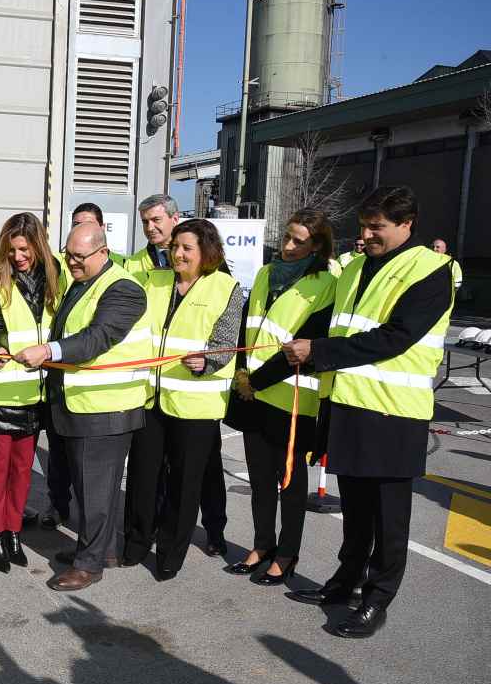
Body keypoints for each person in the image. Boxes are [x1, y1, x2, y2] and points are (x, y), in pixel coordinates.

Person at [285, 186, 455, 638]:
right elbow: (335, 322)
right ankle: (344, 582)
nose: (367, 235)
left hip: (393, 415)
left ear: (407, 224)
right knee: (357, 511)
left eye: (377, 227)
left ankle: (377, 599)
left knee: (388, 517)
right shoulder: (357, 266)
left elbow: (396, 337)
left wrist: (318, 350)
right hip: (348, 405)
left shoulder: (431, 271)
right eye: (364, 225)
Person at [15, 223, 149, 590]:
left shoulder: (124, 290)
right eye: (68, 254)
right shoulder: (84, 281)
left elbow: (96, 338)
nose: (71, 262)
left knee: (95, 492)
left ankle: (89, 565)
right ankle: (98, 550)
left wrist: (47, 352)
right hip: (80, 405)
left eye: (79, 257)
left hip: (105, 409)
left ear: (103, 252)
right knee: (91, 489)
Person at [122, 219, 243, 580]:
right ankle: (136, 542)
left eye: (187, 248)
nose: (178, 254)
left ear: (207, 251)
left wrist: (208, 361)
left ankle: (170, 553)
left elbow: (227, 341)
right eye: (175, 246)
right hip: (151, 399)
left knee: (185, 483)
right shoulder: (155, 281)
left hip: (195, 405)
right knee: (143, 477)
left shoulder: (226, 287)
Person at [227, 210, 336, 586]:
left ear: (317, 246)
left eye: (299, 241)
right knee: (259, 479)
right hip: (253, 394)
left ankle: (287, 553)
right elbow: (248, 328)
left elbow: (301, 345)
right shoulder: (265, 273)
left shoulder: (326, 283)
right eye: (287, 236)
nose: (288, 247)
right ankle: (262, 545)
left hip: (291, 399)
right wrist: (242, 375)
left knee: (289, 483)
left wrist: (254, 381)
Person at [0, 213, 63, 572]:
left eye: (24, 249)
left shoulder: (56, 274)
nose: (18, 256)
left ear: (37, 245)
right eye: (12, 250)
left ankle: (13, 532)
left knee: (23, 468)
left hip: (34, 392)